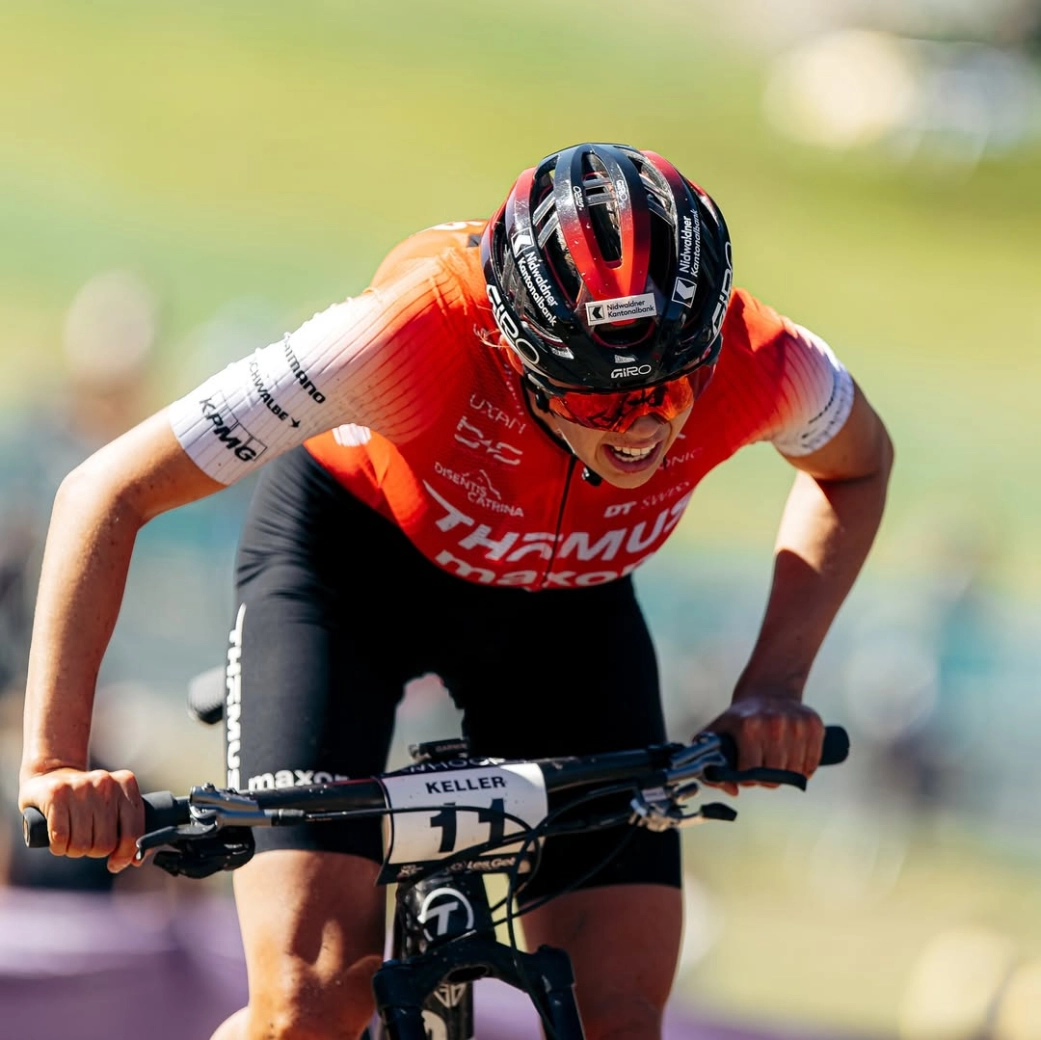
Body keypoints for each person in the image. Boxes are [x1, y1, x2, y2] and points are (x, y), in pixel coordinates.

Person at [19, 142, 893, 1040]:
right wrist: (55, 763)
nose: (646, 425)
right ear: (515, 350)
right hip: (346, 580)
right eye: (596, 399)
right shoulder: (410, 332)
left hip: (566, 617)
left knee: (620, 1020)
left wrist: (771, 686)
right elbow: (106, 491)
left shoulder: (763, 355)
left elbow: (857, 469)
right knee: (309, 1006)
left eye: (675, 386)